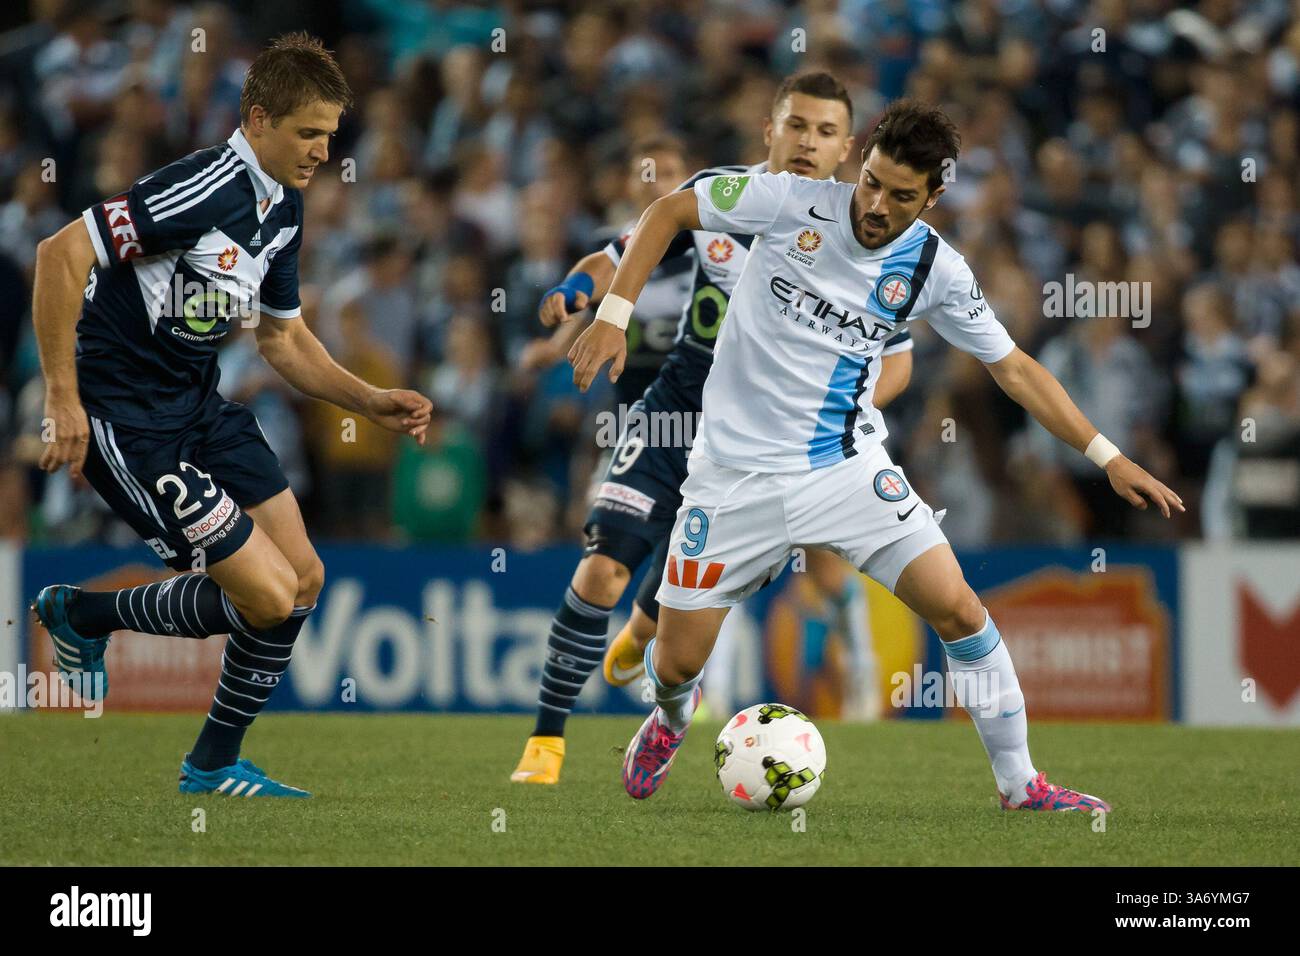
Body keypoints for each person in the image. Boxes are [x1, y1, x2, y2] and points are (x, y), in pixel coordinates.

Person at [570, 99, 1183, 810]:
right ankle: (672, 718)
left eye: (901, 196)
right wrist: (613, 317)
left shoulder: (935, 268)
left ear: (934, 196)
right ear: (860, 164)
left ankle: (1022, 785)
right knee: (674, 663)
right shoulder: (789, 200)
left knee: (958, 608)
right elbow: (669, 212)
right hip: (732, 476)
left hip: (846, 470)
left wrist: (1108, 455)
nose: (876, 206)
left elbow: (1013, 367)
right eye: (871, 183)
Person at [29, 33, 432, 798]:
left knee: (304, 579)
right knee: (268, 596)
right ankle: (85, 616)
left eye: (330, 136)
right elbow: (59, 255)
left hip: (202, 409)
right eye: (307, 132)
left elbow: (280, 337)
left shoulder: (284, 207)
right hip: (133, 424)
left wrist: (368, 399)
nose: (321, 151)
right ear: (257, 119)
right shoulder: (202, 186)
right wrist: (61, 397)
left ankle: (211, 765)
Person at [512, 72, 911, 785]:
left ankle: (654, 650)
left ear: (847, 149)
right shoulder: (725, 192)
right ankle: (545, 744)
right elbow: (620, 249)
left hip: (772, 440)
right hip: (677, 412)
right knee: (602, 567)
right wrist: (584, 296)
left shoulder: (872, 235)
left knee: (681, 607)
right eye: (796, 127)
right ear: (770, 130)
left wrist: (836, 408)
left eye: (824, 133)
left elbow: (899, 363)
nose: (807, 144)